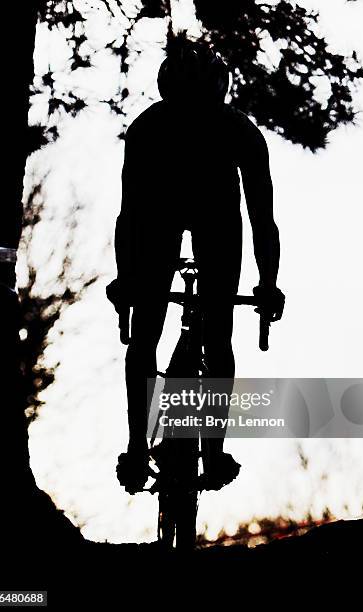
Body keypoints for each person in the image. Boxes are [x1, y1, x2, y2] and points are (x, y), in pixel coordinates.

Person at [108, 37, 284, 494]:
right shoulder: (227, 128)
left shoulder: (154, 126)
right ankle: (185, 448)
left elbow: (129, 217)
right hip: (185, 221)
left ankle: (148, 447)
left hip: (191, 223)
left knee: (154, 331)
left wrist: (128, 281)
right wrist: (267, 284)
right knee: (207, 333)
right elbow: (261, 219)